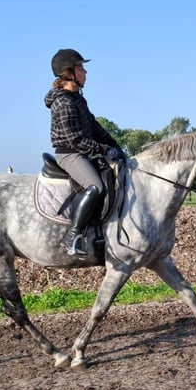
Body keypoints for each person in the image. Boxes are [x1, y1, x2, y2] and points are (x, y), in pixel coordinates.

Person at [44, 48, 126, 255]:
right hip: (70, 154)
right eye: (81, 67)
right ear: (68, 72)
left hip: (82, 152)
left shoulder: (77, 99)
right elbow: (75, 139)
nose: (85, 72)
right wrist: (103, 150)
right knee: (95, 186)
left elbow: (94, 127)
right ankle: (73, 235)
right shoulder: (63, 102)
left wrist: (115, 146)